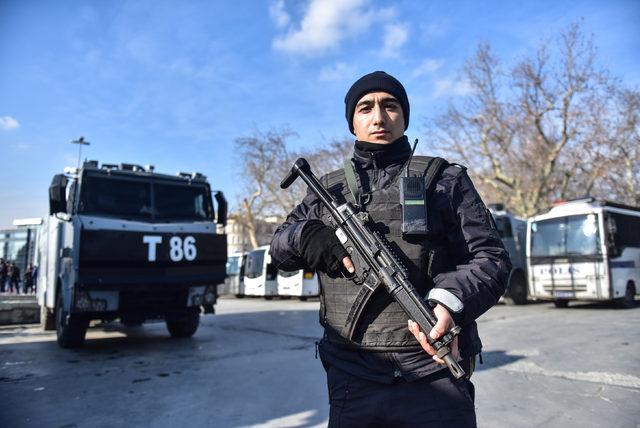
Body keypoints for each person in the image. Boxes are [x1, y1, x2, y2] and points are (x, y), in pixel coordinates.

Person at [270, 71, 511, 427]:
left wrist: (450, 303)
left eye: (390, 106)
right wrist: (305, 236)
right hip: (353, 378)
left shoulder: (444, 180)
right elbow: (279, 249)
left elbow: (491, 258)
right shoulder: (325, 191)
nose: (379, 117)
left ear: (404, 116)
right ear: (353, 122)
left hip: (433, 371)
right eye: (365, 108)